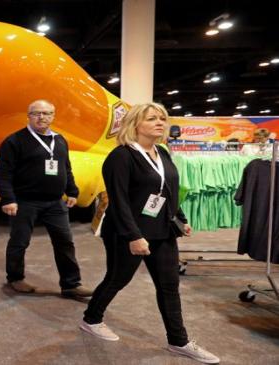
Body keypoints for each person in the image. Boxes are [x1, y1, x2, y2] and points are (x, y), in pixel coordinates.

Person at [79, 103, 220, 364]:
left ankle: (179, 341)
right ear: (135, 124)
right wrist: (133, 236)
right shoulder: (121, 156)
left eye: (162, 118)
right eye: (152, 118)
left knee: (169, 285)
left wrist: (180, 218)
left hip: (162, 229)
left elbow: (169, 190)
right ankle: (91, 319)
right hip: (127, 231)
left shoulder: (162, 152)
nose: (160, 123)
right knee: (117, 279)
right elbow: (118, 200)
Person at [0, 99, 92, 298]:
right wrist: (8, 199)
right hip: (24, 201)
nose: (41, 117)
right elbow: (2, 173)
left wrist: (72, 191)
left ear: (53, 117)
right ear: (28, 116)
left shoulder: (60, 139)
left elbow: (66, 168)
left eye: (46, 113)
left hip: (55, 202)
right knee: (19, 242)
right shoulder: (15, 141)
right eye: (36, 113)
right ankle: (15, 278)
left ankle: (71, 284)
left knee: (65, 242)